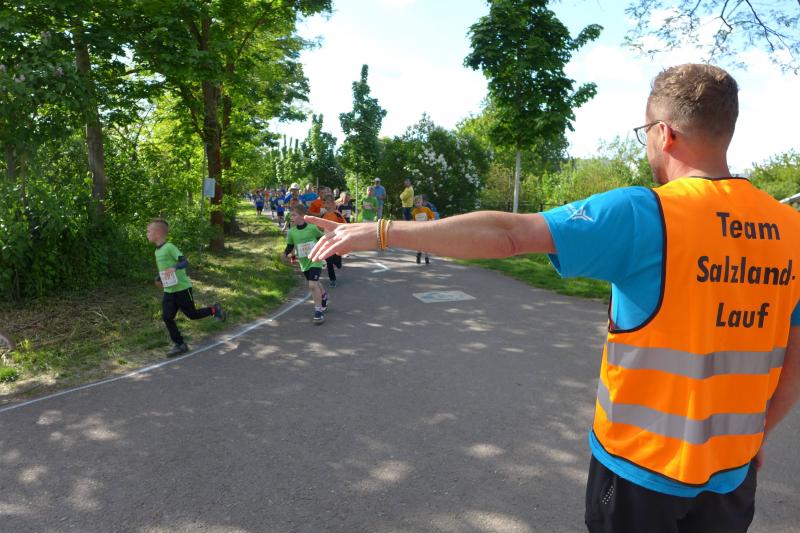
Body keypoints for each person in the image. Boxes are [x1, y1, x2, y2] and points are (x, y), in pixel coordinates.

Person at [304, 64, 800, 533]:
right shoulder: (791, 229)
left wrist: (382, 232)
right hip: (732, 475)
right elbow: (794, 362)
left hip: (640, 469)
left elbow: (509, 235)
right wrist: (758, 434)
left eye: (644, 132)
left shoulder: (644, 212)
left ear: (664, 133)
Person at [146, 218, 226, 357]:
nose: (147, 233)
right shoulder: (157, 251)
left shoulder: (169, 247)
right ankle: (180, 344)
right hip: (169, 291)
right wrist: (158, 278)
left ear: (158, 233)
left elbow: (184, 262)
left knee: (192, 315)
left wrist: (175, 267)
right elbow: (164, 269)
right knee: (167, 317)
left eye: (149, 231)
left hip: (182, 289)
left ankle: (215, 310)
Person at [283, 204, 328, 324]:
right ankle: (323, 295)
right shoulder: (291, 232)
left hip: (315, 260)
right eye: (290, 215)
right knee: (315, 283)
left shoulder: (312, 228)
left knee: (312, 285)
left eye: (294, 215)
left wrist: (324, 249)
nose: (291, 217)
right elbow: (290, 246)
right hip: (304, 263)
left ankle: (318, 312)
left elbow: (322, 238)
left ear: (302, 216)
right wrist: (285, 254)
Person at [321, 194, 347, 287]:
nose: (326, 205)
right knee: (329, 261)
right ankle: (332, 280)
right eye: (325, 203)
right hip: (327, 240)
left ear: (333, 204)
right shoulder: (323, 215)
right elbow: (319, 227)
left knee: (337, 261)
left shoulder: (337, 215)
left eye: (328, 203)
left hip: (336, 240)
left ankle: (338, 261)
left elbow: (344, 225)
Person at [411, 195, 435, 264]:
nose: (417, 204)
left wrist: (431, 221)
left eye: (418, 202)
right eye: (416, 203)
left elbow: (432, 217)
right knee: (419, 243)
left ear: (421, 202)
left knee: (426, 243)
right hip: (418, 230)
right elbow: (413, 221)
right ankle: (418, 255)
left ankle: (426, 257)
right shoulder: (414, 212)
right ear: (414, 204)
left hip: (426, 230)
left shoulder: (426, 209)